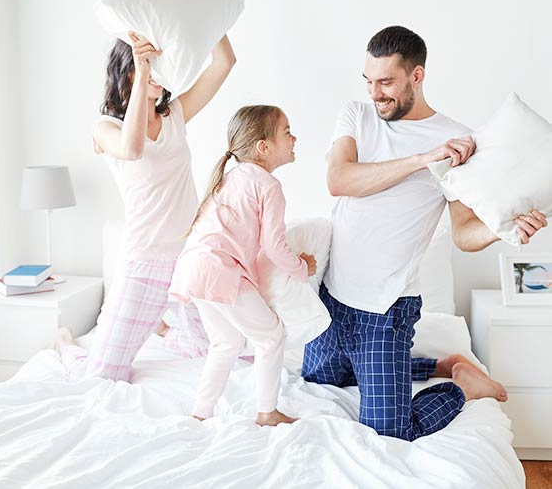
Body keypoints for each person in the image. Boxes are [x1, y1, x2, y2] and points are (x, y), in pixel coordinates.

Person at [302, 25, 548, 441]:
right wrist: (420, 160)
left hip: (385, 312)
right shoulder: (357, 115)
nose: (375, 92)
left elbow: (464, 234)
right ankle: (437, 362)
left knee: (391, 430)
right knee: (317, 374)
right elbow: (339, 179)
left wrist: (503, 231)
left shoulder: (453, 141)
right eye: (369, 81)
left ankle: (462, 384)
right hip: (333, 296)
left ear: (416, 76)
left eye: (386, 82)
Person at [56, 23, 237, 380]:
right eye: (149, 65)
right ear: (128, 69)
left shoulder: (176, 116)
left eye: (161, 66)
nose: (158, 75)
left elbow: (225, 62)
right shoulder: (104, 128)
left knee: (217, 349)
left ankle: (164, 329)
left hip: (190, 256)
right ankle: (67, 347)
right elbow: (133, 148)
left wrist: (207, 4)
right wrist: (143, 72)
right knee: (103, 376)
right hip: (145, 261)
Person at [168, 105, 317, 426]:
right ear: (264, 147)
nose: (294, 138)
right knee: (271, 336)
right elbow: (274, 246)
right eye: (287, 132)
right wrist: (302, 268)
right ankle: (267, 411)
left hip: (194, 268)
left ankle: (201, 412)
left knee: (226, 342)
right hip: (220, 271)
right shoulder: (267, 185)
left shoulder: (232, 177)